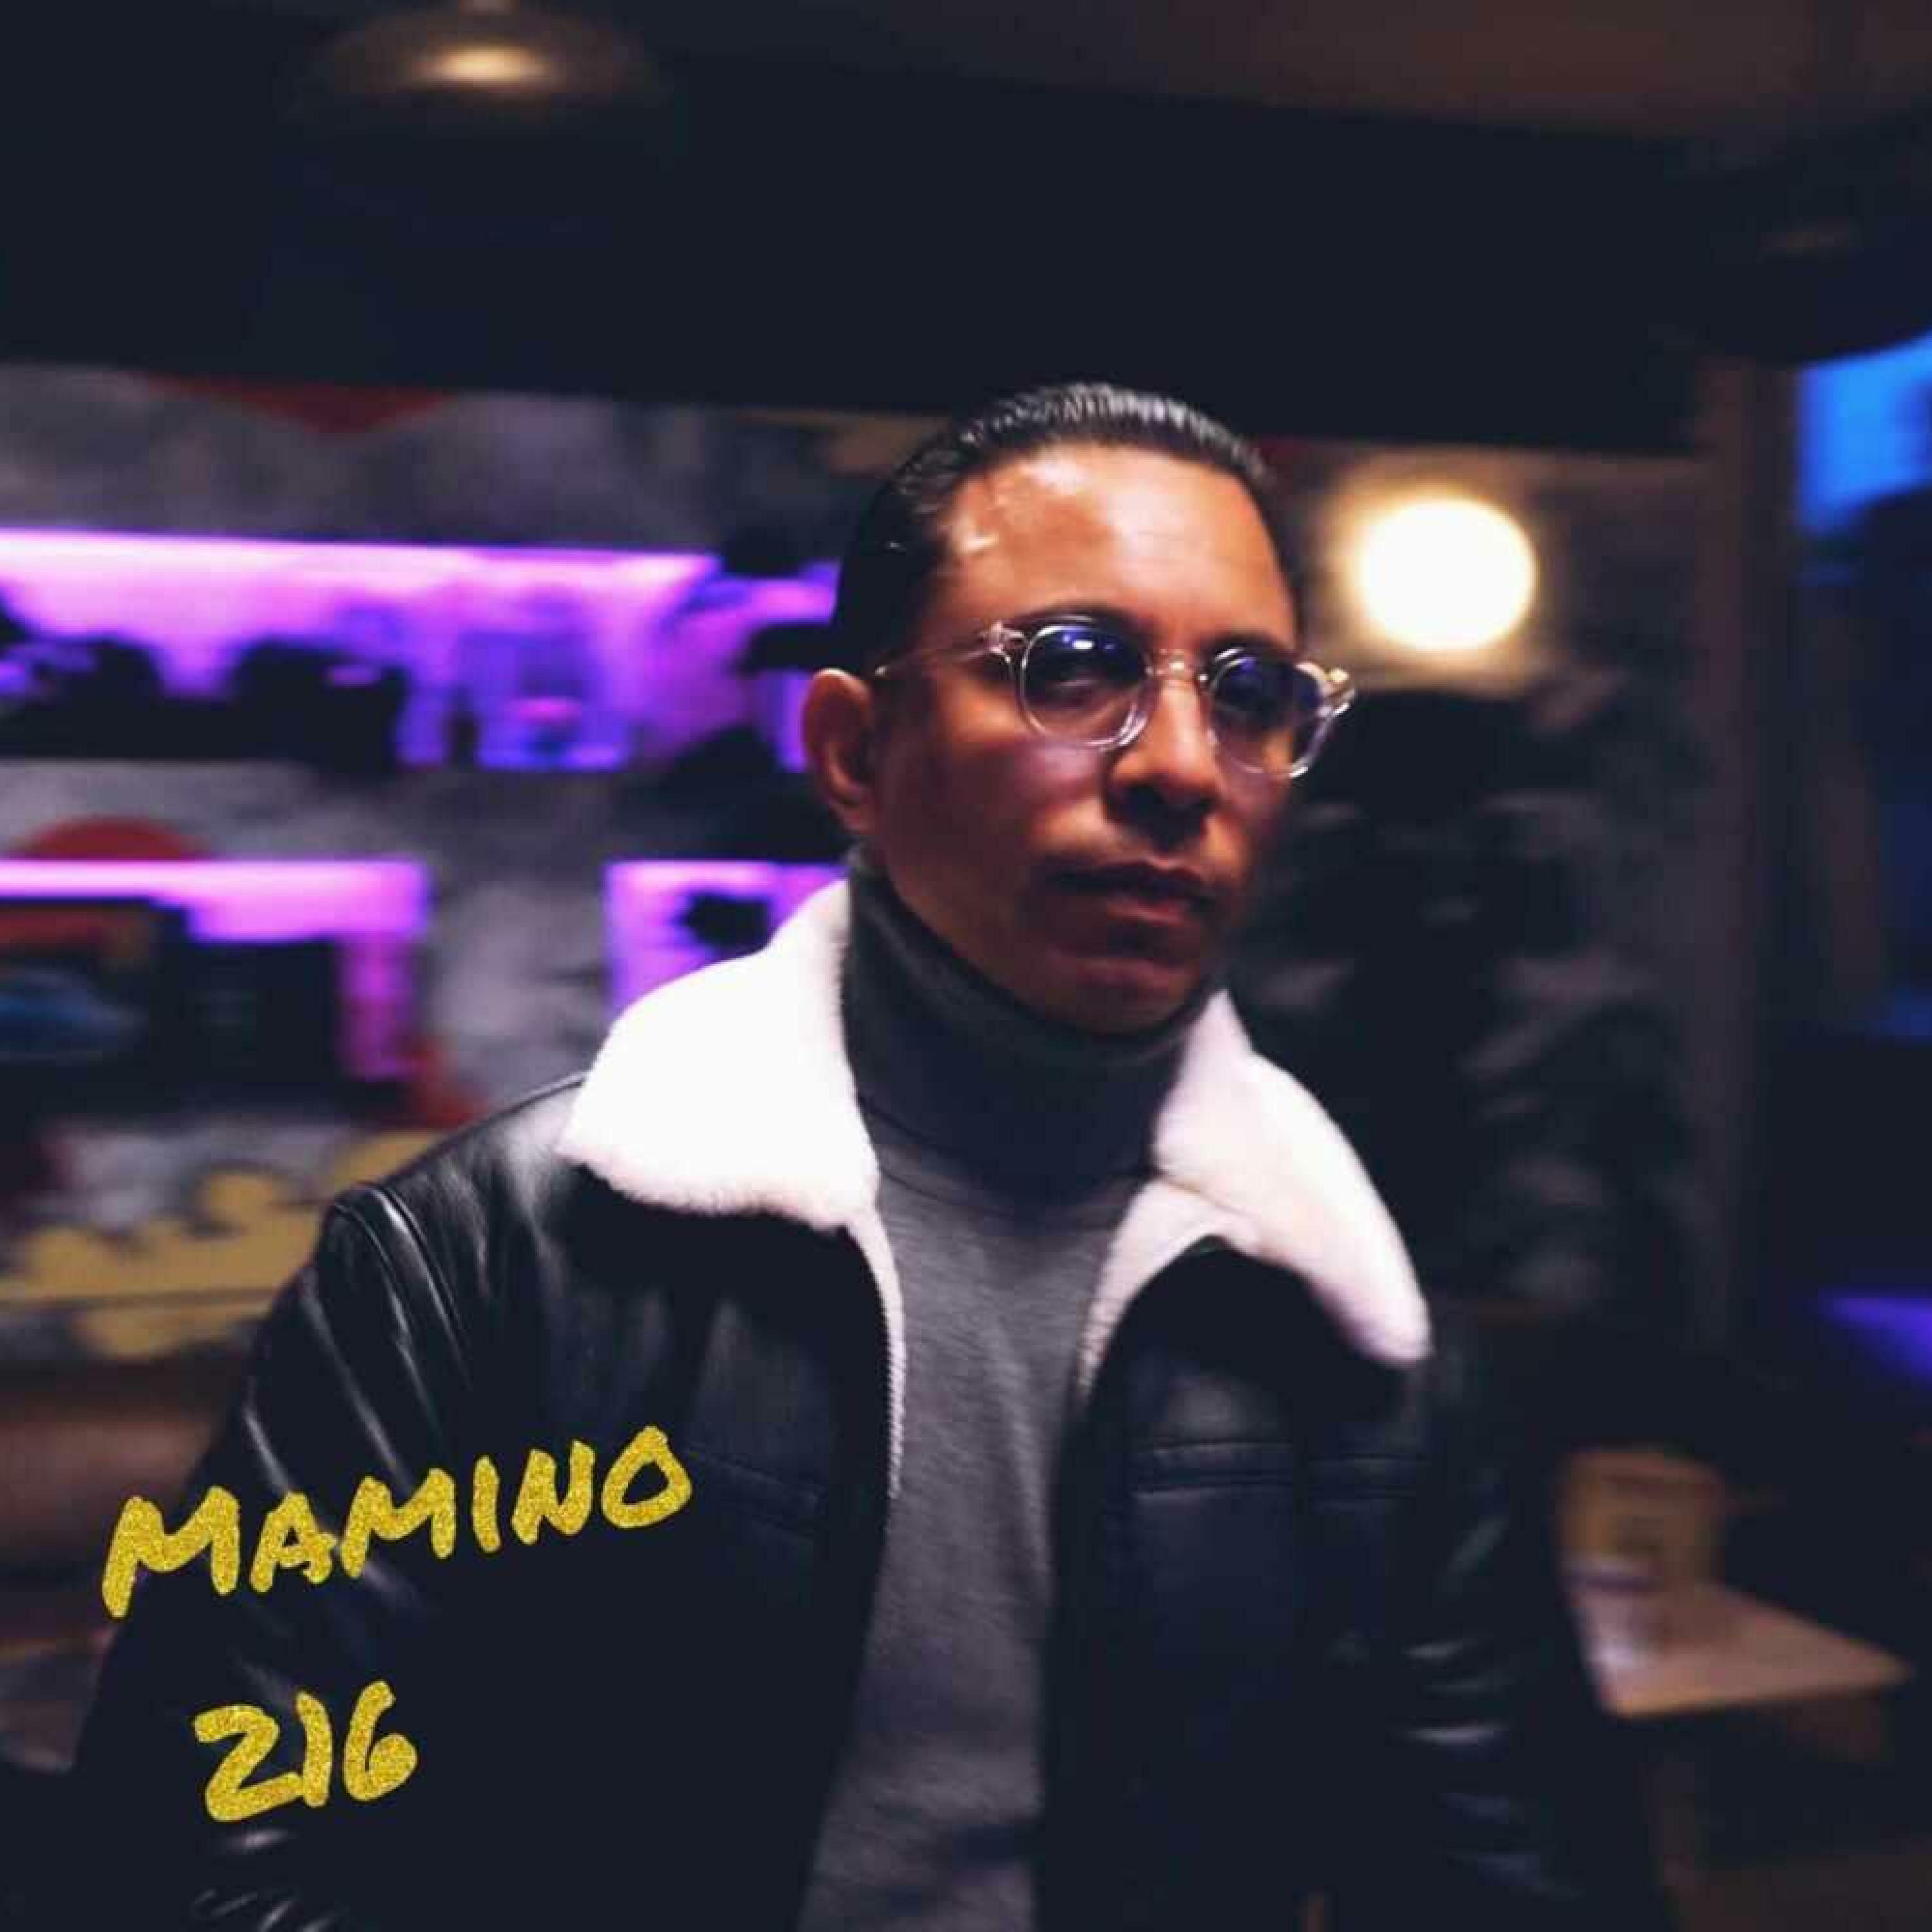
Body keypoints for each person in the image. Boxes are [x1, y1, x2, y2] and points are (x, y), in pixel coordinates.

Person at [62, 383, 1671, 1931]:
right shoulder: (479, 1265)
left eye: (1248, 695)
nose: (1182, 763)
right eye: (1074, 668)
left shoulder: (1365, 1334)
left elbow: (1522, 1889)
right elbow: (203, 1866)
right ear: (852, 752)